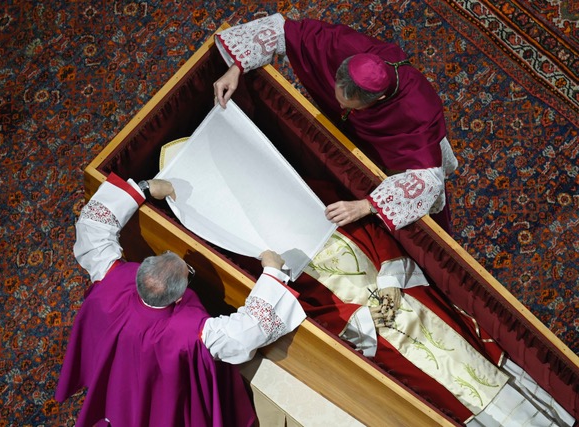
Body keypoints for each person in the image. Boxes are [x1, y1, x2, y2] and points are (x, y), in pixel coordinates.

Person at [55, 172, 307, 427]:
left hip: (122, 365)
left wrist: (145, 188)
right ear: (178, 297)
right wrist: (273, 271)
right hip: (165, 387)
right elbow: (249, 331)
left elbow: (92, 227)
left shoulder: (111, 278)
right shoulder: (193, 333)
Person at [291, 214, 574, 426]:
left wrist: (390, 280)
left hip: (410, 300)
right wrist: (358, 318)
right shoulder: (271, 262)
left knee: (475, 361)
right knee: (450, 393)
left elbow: (371, 230)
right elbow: (302, 312)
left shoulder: (317, 201)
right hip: (381, 340)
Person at [213, 13, 459, 233]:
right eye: (339, 98)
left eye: (350, 106)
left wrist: (365, 206)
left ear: (379, 99)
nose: (341, 108)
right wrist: (236, 69)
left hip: (391, 146)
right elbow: (282, 30)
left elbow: (428, 179)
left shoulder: (418, 111)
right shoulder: (343, 46)